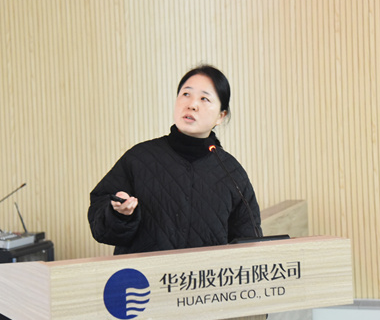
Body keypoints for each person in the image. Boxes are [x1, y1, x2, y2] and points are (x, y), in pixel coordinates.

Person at [88, 65, 262, 255]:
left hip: (204, 274)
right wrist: (119, 214)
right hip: (145, 274)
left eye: (204, 98)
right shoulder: (139, 158)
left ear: (221, 116)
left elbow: (250, 244)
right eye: (186, 94)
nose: (192, 104)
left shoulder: (231, 172)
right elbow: (100, 227)